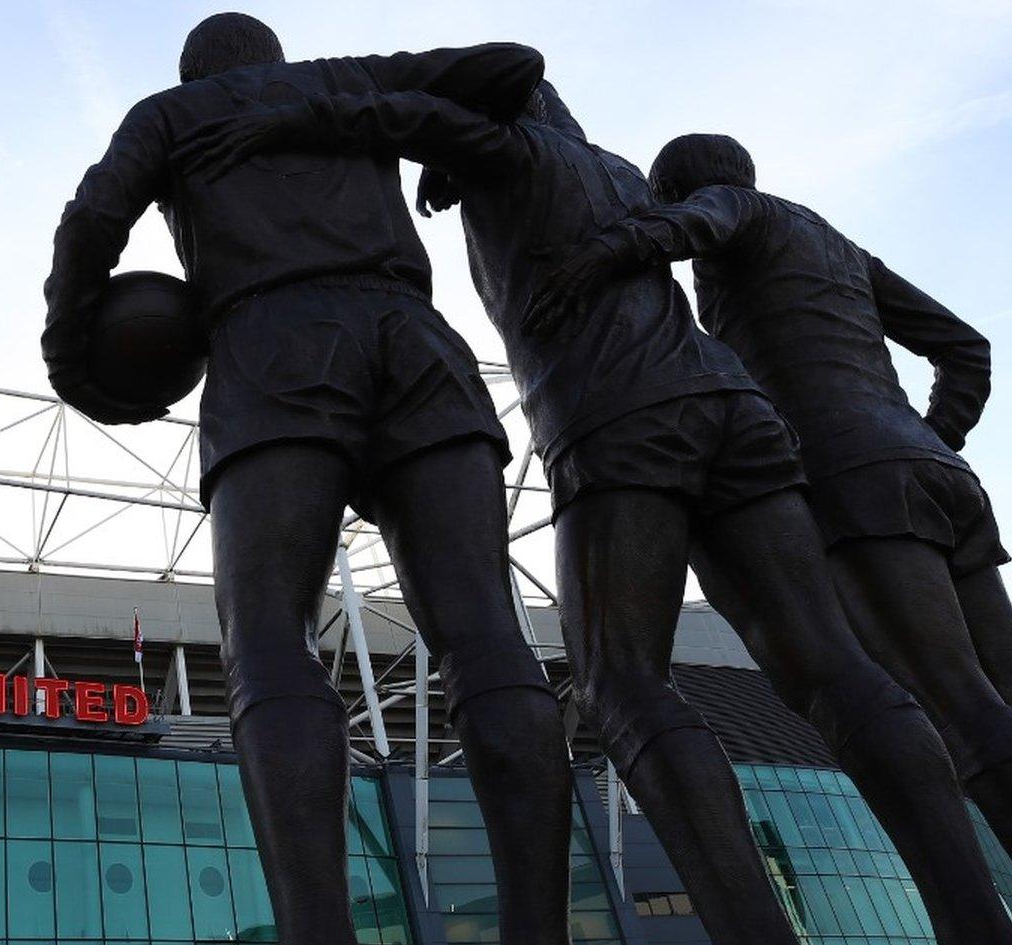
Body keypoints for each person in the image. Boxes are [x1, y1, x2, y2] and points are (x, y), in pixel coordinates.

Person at [170, 80, 1012, 943]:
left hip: (622, 419)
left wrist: (316, 115)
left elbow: (406, 110)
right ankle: (976, 919)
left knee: (621, 684)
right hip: (745, 415)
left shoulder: (535, 159)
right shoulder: (619, 173)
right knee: (839, 668)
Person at [42, 14, 574, 944]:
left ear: (196, 71)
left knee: (270, 643)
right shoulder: (348, 79)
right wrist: (397, 132)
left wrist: (76, 366)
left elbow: (91, 222)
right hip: (418, 345)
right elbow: (514, 65)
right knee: (487, 636)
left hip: (274, 346)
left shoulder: (172, 113)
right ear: (275, 59)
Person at [529, 131, 1012, 858]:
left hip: (857, 482)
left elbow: (697, 223)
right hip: (935, 473)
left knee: (956, 703)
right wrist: (931, 436)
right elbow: (967, 347)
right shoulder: (835, 243)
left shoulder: (736, 211)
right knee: (996, 694)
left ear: (675, 190)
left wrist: (601, 252)